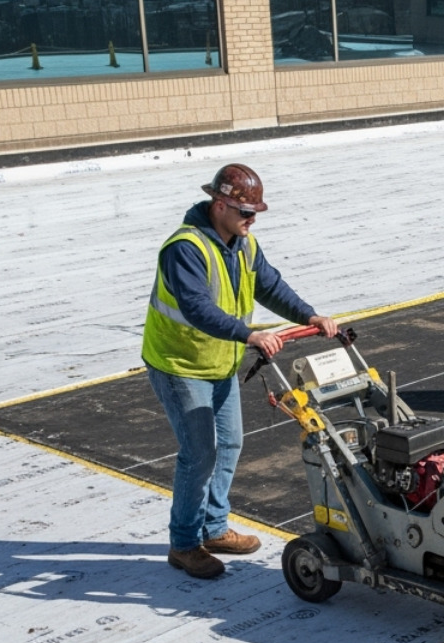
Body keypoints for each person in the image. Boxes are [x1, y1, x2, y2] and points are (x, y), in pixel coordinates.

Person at [142, 164, 338, 579]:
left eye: (255, 213)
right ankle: (183, 544)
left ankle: (213, 529)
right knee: (198, 455)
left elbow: (269, 285)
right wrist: (248, 335)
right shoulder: (186, 248)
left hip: (219, 363)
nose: (251, 220)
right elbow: (196, 308)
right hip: (180, 364)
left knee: (229, 445)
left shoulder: (244, 243)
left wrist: (310, 315)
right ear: (219, 205)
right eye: (245, 212)